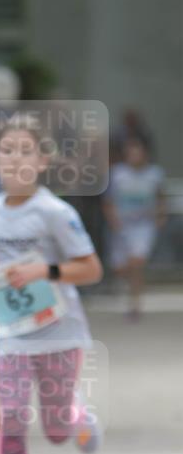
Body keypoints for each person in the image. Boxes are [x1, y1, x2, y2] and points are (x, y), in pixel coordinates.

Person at [0, 115, 103, 454]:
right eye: (6, 150)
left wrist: (43, 271)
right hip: (11, 332)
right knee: (9, 417)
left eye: (25, 150)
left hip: (59, 333)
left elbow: (91, 268)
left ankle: (75, 413)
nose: (15, 159)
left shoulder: (55, 212)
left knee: (54, 432)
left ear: (43, 159)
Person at [102, 137, 166, 321]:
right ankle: (131, 287)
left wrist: (161, 216)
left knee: (136, 262)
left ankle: (135, 304)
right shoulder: (117, 174)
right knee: (122, 268)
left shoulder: (155, 174)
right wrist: (113, 220)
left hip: (144, 226)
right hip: (122, 227)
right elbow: (108, 201)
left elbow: (161, 197)